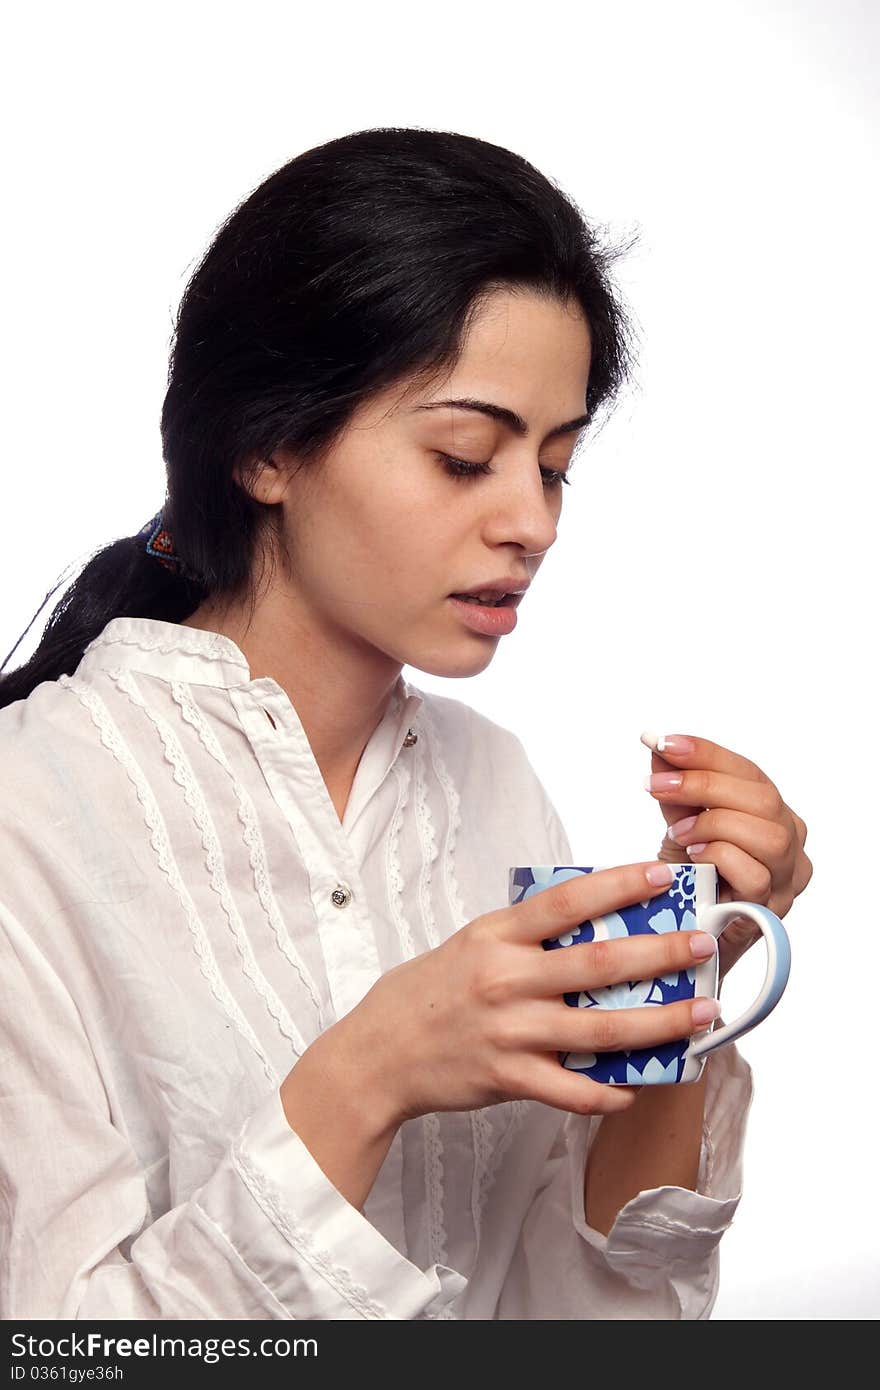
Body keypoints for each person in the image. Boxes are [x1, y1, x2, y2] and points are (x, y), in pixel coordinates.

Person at [0, 127, 807, 1321]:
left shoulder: (492, 782)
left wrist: (676, 988)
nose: (530, 521)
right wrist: (371, 1071)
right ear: (265, 444)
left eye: (554, 466)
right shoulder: (31, 809)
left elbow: (583, 1316)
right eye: (462, 454)